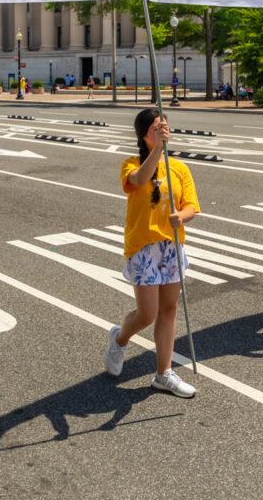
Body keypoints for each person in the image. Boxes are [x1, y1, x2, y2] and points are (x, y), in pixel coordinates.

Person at [104, 109, 199, 398]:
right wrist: (157, 149)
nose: (164, 131)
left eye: (165, 126)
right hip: (143, 246)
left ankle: (164, 373)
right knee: (148, 313)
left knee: (169, 309)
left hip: (171, 245)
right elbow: (140, 180)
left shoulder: (180, 168)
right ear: (145, 134)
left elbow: (192, 205)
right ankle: (120, 339)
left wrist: (181, 217)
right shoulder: (131, 164)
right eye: (157, 128)